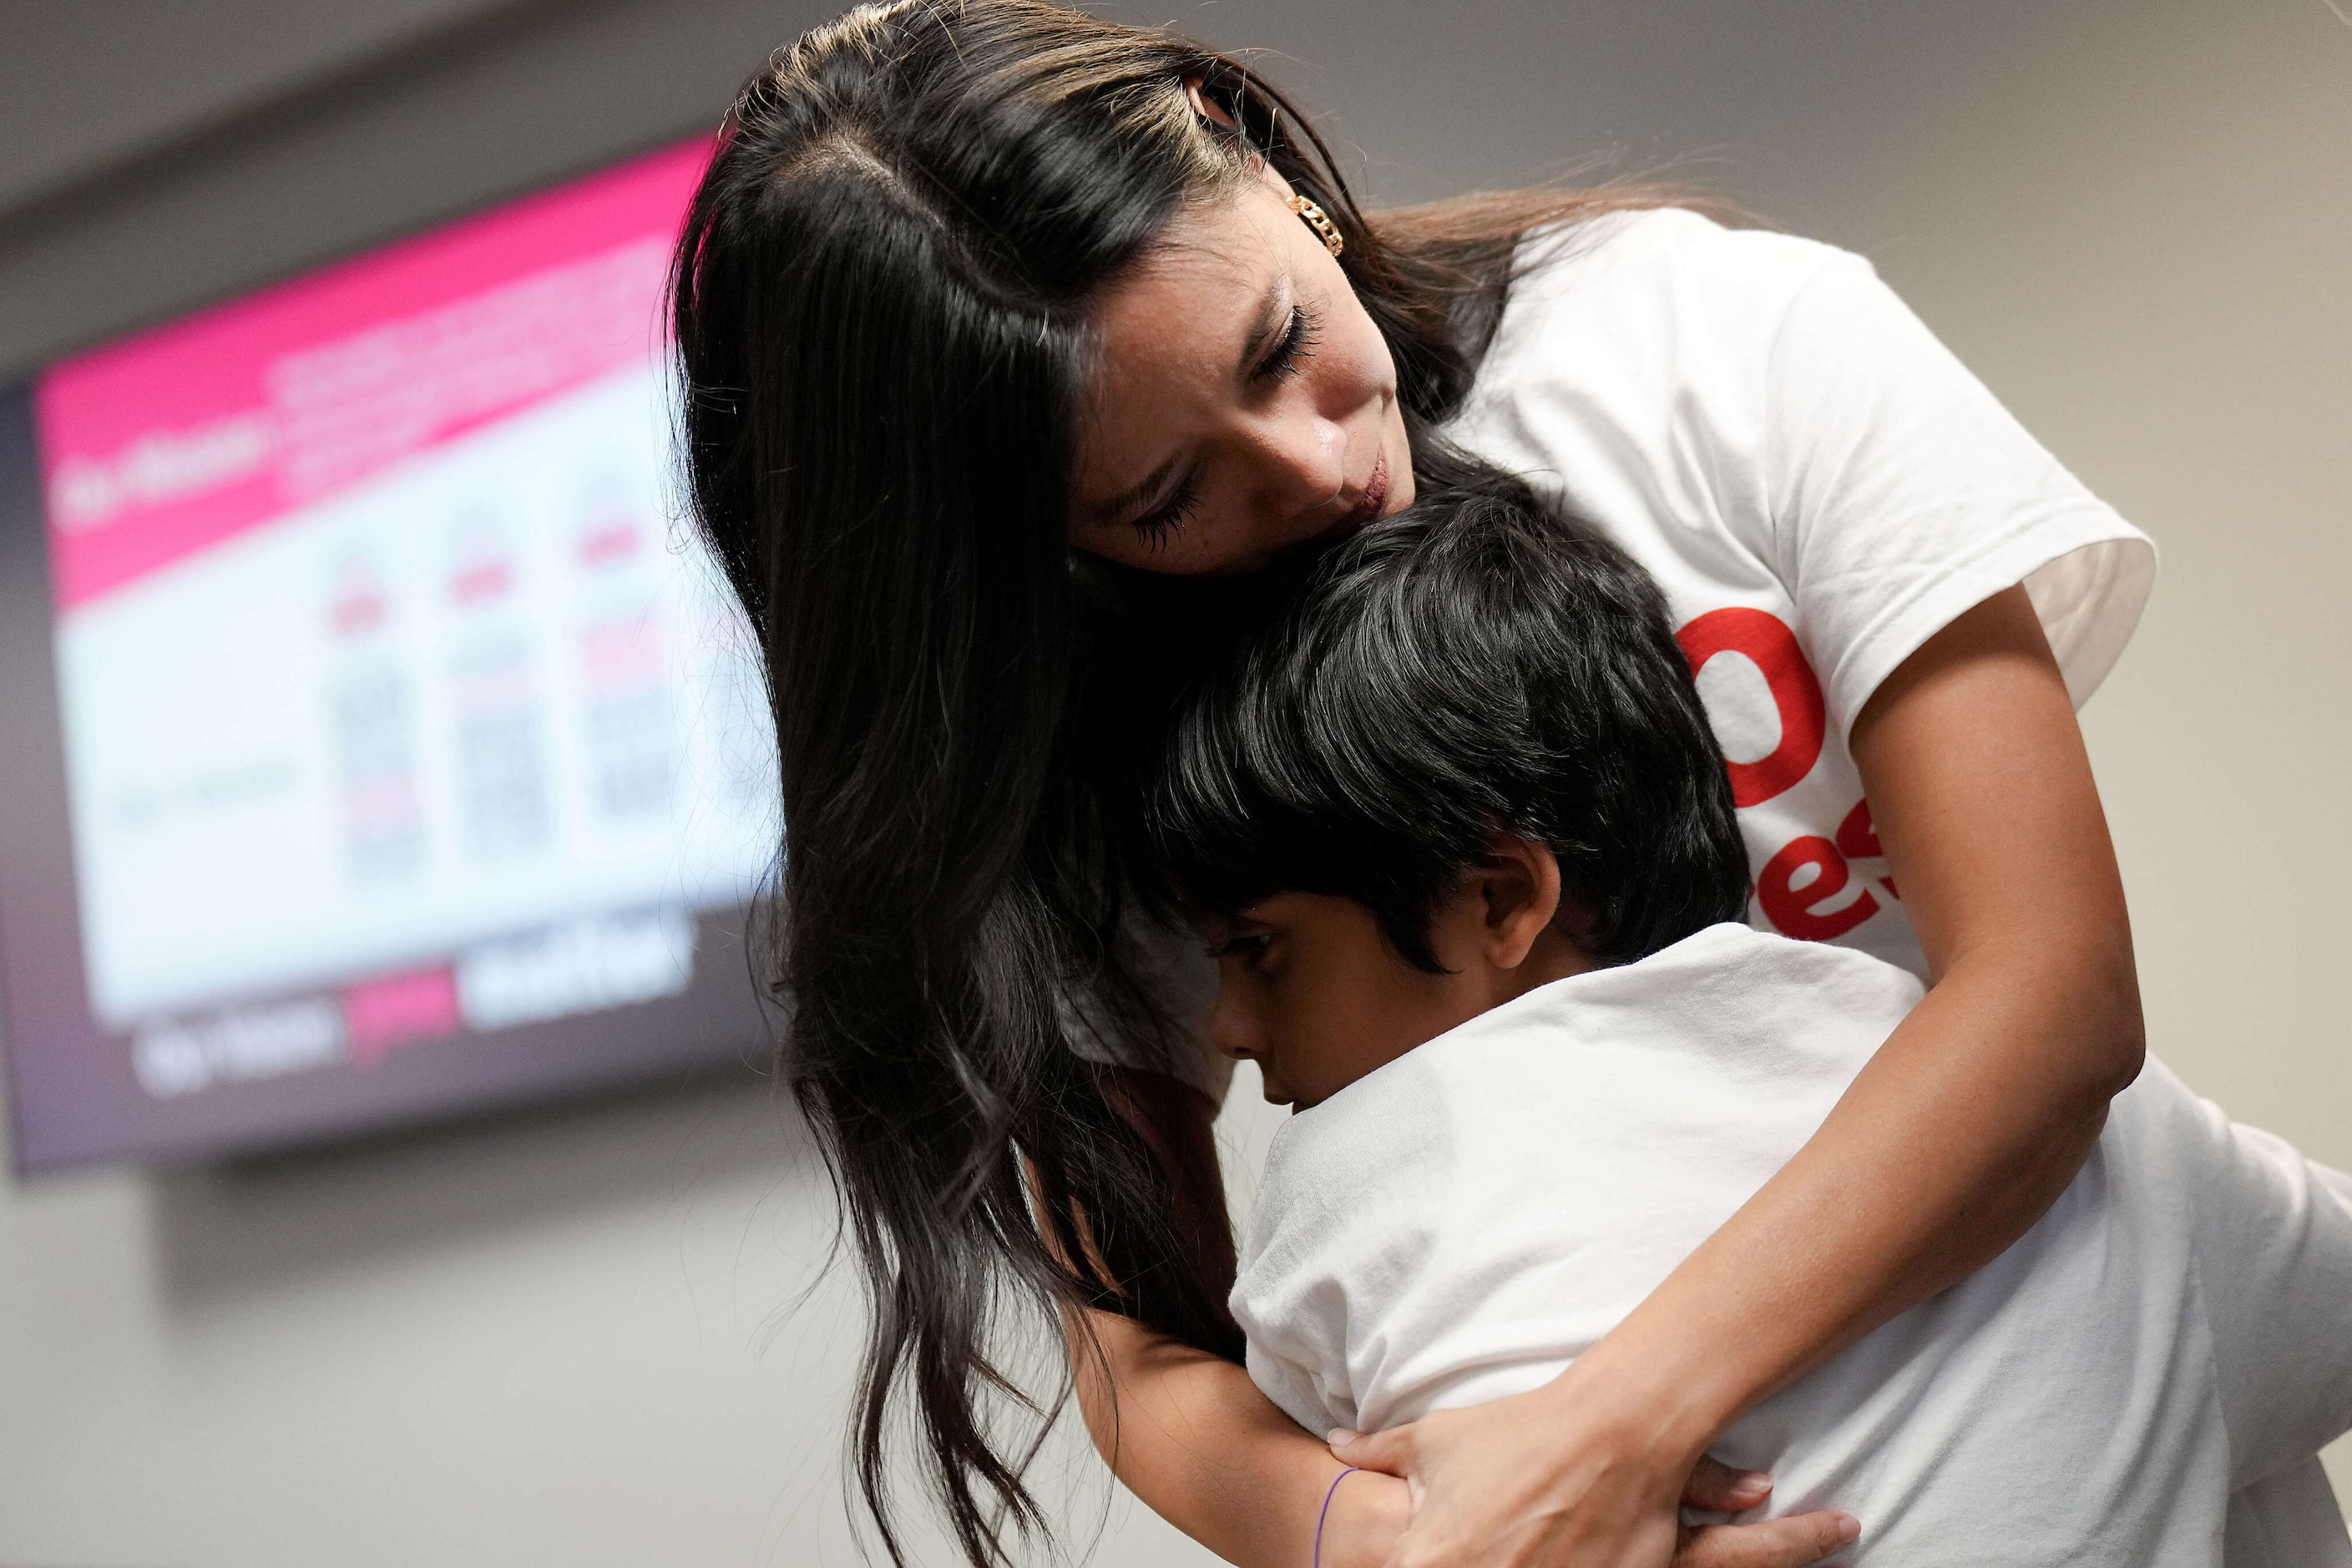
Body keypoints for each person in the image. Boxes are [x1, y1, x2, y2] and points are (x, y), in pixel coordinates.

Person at [665, 2, 2196, 1564]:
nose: (1319, 466)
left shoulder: (1701, 344)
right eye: (1169, 493)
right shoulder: (1083, 739)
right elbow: (1136, 1349)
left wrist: (1613, 1434)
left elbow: (2054, 993)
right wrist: (1397, 1544)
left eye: (1279, 346)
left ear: (1245, 145)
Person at [1141, 478, 2352, 1566]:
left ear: (1500, 899)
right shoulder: (2110, 1146)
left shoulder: (1356, 1178)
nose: (1234, 1028)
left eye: (1259, 951)